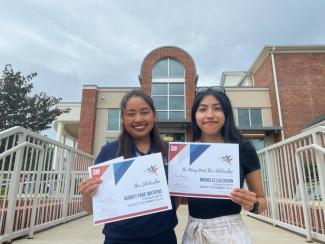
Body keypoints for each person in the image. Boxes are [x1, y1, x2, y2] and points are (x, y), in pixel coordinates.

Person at [78, 90, 178, 244]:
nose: (138, 119)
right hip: (119, 239)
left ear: (154, 116)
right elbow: (91, 208)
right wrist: (86, 194)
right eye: (131, 114)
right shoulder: (109, 152)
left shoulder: (170, 151)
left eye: (144, 112)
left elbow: (176, 199)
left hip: (163, 238)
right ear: (123, 119)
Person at [182, 87, 266, 244]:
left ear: (226, 113)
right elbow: (188, 199)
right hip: (194, 232)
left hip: (230, 232)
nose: (209, 115)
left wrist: (252, 204)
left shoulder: (243, 148)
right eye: (202, 109)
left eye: (217, 108)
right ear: (195, 115)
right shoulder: (187, 153)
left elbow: (262, 201)